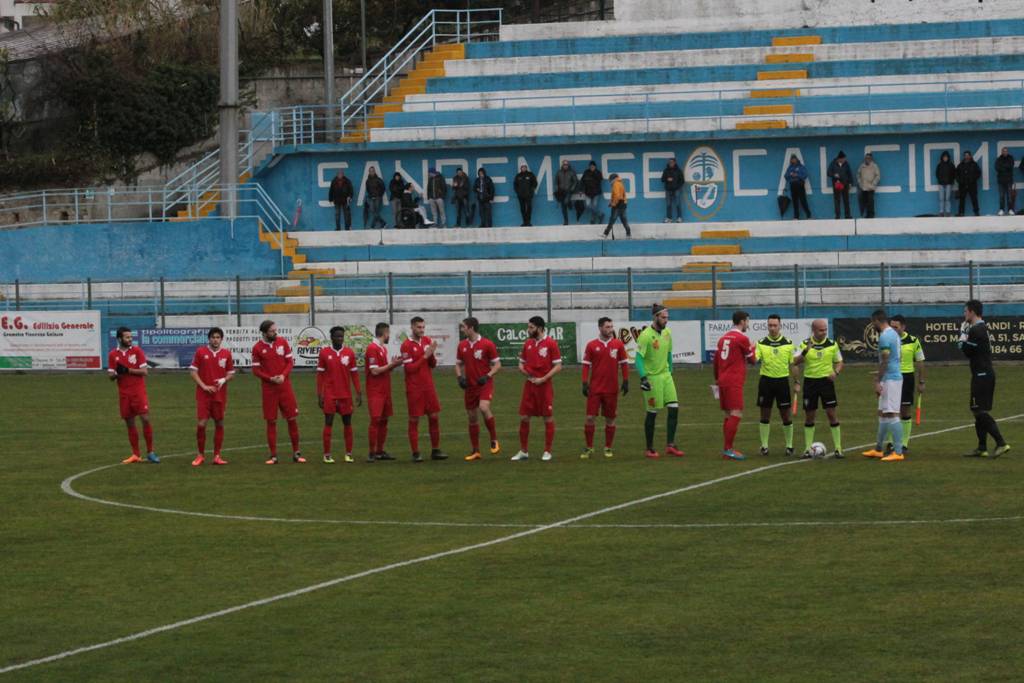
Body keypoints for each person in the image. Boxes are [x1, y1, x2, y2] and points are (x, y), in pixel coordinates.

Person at [959, 300, 1011, 458]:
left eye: (965, 311)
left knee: (979, 410)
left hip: (982, 375)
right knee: (977, 410)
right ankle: (982, 447)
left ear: (972, 312)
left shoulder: (977, 330)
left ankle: (1001, 443)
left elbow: (966, 350)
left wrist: (962, 335)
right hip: (982, 374)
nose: (964, 314)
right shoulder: (980, 328)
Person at [635, 304, 684, 459]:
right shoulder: (645, 335)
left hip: (666, 376)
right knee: (652, 412)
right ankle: (649, 448)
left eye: (667, 317)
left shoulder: (667, 333)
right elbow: (638, 358)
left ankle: (670, 445)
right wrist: (643, 377)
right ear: (655, 317)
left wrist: (670, 370)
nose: (666, 320)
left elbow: (669, 352)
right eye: (663, 317)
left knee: (674, 408)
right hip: (652, 378)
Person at [512, 316, 563, 462]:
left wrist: (543, 379)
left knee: (547, 417)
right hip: (529, 386)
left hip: (544, 386)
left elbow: (558, 365)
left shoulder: (551, 343)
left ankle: (547, 451)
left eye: (531, 327)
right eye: (528, 327)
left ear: (539, 328)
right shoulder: (528, 343)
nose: (528, 330)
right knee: (524, 417)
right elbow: (521, 364)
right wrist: (524, 371)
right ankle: (524, 451)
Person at [252, 320, 303, 464]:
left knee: (292, 419)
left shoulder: (282, 342)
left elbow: (290, 362)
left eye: (275, 330)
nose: (275, 333)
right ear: (264, 332)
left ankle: (297, 453)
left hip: (285, 387)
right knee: (271, 421)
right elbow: (256, 370)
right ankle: (273, 455)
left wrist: (282, 376)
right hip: (269, 390)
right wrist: (270, 378)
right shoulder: (257, 348)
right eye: (272, 331)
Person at [792, 319, 844, 459]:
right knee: (810, 416)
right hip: (810, 383)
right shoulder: (804, 344)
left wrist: (836, 372)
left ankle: (838, 448)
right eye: (821, 330)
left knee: (831, 414)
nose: (824, 332)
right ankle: (808, 449)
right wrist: (805, 351)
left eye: (825, 329)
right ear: (813, 331)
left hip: (826, 382)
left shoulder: (832, 344)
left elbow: (839, 362)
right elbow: (795, 362)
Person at [580, 317, 629, 459]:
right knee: (589, 418)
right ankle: (589, 448)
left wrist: (626, 380)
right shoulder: (591, 345)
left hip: (611, 389)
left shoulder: (618, 344)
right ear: (600, 328)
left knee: (610, 419)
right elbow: (586, 365)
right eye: (607, 327)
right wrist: (584, 382)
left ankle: (608, 447)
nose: (610, 329)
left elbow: (624, 363)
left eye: (611, 326)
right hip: (595, 389)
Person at [107, 326, 158, 464]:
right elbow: (111, 375)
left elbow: (144, 372)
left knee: (145, 419)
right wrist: (117, 373)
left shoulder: (137, 351)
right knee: (129, 423)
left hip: (138, 392)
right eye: (127, 337)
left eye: (131, 337)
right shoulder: (113, 354)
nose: (130, 339)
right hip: (124, 394)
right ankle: (136, 454)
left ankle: (151, 452)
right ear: (119, 339)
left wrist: (128, 370)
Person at [401, 316, 448, 462]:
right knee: (414, 419)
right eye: (418, 327)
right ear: (412, 327)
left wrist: (431, 354)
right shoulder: (406, 345)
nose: (421, 330)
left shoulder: (427, 341)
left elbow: (432, 365)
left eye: (423, 327)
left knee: (434, 417)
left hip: (428, 387)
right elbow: (409, 369)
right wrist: (424, 356)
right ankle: (415, 453)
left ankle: (435, 450)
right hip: (414, 388)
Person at [455, 316, 501, 461]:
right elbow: (458, 364)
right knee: (472, 417)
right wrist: (459, 378)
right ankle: (476, 451)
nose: (462, 329)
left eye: (463, 327)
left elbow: (498, 365)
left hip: (484, 384)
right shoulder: (462, 345)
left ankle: (494, 439)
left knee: (483, 407)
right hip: (470, 386)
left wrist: (488, 376)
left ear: (471, 328)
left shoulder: (487, 344)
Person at [862, 309, 905, 462]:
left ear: (876, 321)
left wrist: (878, 381)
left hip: (891, 379)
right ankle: (879, 449)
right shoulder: (893, 334)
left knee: (892, 413)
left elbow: (885, 360)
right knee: (882, 413)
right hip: (891, 376)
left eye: (872, 322)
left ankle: (898, 452)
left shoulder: (885, 336)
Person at [713, 310, 756, 460]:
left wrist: (717, 380)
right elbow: (753, 361)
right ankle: (728, 449)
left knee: (728, 414)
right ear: (743, 321)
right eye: (747, 322)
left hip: (723, 380)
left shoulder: (722, 338)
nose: (748, 325)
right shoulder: (742, 338)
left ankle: (727, 449)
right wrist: (753, 348)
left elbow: (716, 362)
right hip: (734, 381)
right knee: (736, 413)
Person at [189, 327, 234, 466]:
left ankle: (217, 456)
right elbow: (193, 371)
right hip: (203, 395)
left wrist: (224, 380)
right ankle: (200, 455)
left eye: (218, 337)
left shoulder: (226, 354)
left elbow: (231, 372)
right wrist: (203, 386)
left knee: (219, 422)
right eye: (213, 337)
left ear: (221, 339)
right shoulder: (201, 352)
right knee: (201, 424)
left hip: (220, 395)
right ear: (209, 339)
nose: (215, 340)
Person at [316, 325, 362, 464]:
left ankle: (348, 453)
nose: (340, 339)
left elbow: (354, 374)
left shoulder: (349, 353)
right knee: (328, 422)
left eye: (341, 336)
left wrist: (358, 392)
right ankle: (327, 454)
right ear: (331, 337)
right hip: (330, 394)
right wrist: (320, 394)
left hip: (345, 395)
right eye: (337, 336)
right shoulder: (324, 353)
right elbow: (320, 376)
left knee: (347, 423)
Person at [755, 314, 796, 457]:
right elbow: (754, 359)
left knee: (786, 415)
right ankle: (764, 446)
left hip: (782, 382)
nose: (772, 328)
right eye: (770, 325)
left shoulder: (788, 343)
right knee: (765, 414)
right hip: (766, 381)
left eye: (775, 325)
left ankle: (789, 445)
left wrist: (796, 382)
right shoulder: (761, 343)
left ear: (780, 326)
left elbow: (793, 364)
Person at [884, 315, 925, 456]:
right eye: (891, 326)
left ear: (903, 327)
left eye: (895, 327)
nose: (893, 329)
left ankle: (904, 443)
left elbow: (920, 362)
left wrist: (921, 382)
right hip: (891, 377)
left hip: (907, 377)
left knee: (905, 410)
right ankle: (890, 443)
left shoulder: (913, 341)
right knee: (891, 410)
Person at [365, 322, 403, 461]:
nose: (389, 336)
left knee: (384, 420)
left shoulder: (382, 349)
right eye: (389, 333)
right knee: (375, 420)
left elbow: (383, 368)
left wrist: (393, 365)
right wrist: (392, 365)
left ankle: (380, 451)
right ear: (385, 333)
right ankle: (371, 453)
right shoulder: (372, 348)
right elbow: (374, 371)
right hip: (375, 391)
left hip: (385, 389)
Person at [603, 173, 631, 239]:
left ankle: (605, 234)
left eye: (609, 180)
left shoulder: (615, 184)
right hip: (623, 204)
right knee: (624, 220)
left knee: (612, 220)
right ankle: (628, 234)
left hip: (617, 205)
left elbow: (617, 196)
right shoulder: (620, 183)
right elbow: (621, 195)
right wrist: (612, 202)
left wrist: (613, 203)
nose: (609, 181)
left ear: (612, 179)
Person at [827, 151, 853, 219]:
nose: (845, 160)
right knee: (837, 200)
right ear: (840, 159)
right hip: (837, 184)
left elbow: (849, 174)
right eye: (844, 159)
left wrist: (850, 183)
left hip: (845, 184)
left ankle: (847, 215)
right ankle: (837, 215)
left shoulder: (846, 164)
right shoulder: (833, 163)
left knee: (846, 200)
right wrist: (834, 175)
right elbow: (828, 173)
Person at [784, 155, 811, 220]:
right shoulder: (790, 167)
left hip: (800, 185)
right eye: (792, 159)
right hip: (793, 185)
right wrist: (790, 175)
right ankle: (796, 216)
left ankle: (809, 215)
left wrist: (797, 175)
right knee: (795, 201)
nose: (793, 160)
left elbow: (805, 175)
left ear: (796, 159)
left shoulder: (801, 166)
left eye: (794, 159)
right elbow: (786, 176)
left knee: (803, 201)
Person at [956, 151, 981, 217]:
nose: (966, 156)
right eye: (965, 155)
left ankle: (976, 212)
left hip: (972, 184)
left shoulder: (974, 164)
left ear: (970, 156)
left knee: (974, 199)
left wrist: (973, 179)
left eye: (968, 155)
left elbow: (978, 173)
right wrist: (960, 181)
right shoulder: (960, 165)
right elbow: (956, 174)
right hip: (962, 185)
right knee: (962, 199)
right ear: (964, 156)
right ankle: (961, 213)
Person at [555, 160, 578, 226]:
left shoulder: (571, 172)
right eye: (564, 165)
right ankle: (566, 221)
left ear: (568, 165)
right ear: (562, 165)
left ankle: (570, 204)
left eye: (566, 165)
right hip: (561, 191)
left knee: (566, 201)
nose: (565, 166)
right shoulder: (559, 172)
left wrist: (572, 188)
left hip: (568, 191)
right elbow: (556, 181)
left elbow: (575, 181)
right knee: (563, 207)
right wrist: (557, 189)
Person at [857, 152, 879, 219]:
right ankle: (867, 214)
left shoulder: (874, 166)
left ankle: (871, 214)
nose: (867, 159)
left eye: (868, 158)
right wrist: (860, 183)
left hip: (870, 187)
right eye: (866, 158)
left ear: (871, 159)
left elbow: (878, 176)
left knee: (870, 201)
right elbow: (858, 175)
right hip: (863, 187)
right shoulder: (862, 166)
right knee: (864, 201)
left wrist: (873, 184)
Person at [661, 158, 684, 223]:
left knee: (678, 204)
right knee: (668, 204)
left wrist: (677, 186)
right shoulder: (666, 171)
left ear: (674, 163)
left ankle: (679, 218)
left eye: (672, 162)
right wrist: (667, 179)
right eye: (669, 162)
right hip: (668, 190)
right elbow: (662, 179)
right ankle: (669, 218)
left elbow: (682, 181)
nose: (670, 163)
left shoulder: (678, 171)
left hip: (676, 190)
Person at [995, 147, 1015, 216]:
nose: (1005, 152)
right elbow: (997, 168)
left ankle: (1010, 209)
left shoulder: (1010, 158)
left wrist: (1003, 167)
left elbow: (1011, 166)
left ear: (1007, 152)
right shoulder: (999, 159)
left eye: (1006, 151)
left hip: (1009, 180)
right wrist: (1005, 167)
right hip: (1001, 181)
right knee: (1001, 196)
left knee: (1009, 196)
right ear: (1002, 152)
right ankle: (1001, 210)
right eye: (1003, 151)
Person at [935, 151, 956, 217]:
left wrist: (951, 180)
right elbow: (937, 173)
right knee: (941, 198)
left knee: (947, 198)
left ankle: (948, 212)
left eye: (946, 157)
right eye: (944, 157)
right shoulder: (939, 165)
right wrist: (940, 180)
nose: (945, 158)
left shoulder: (951, 165)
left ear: (948, 158)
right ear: (942, 158)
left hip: (948, 183)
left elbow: (954, 174)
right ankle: (941, 212)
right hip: (941, 183)